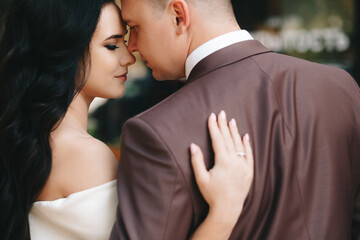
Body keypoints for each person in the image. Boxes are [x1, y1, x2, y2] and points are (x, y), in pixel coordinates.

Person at [0, 0, 254, 240]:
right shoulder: (85, 155)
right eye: (112, 45)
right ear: (63, 50)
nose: (129, 57)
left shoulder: (33, 140)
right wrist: (225, 210)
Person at [111, 0, 360, 239]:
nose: (131, 45)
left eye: (134, 27)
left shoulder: (155, 132)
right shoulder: (341, 87)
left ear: (179, 16)